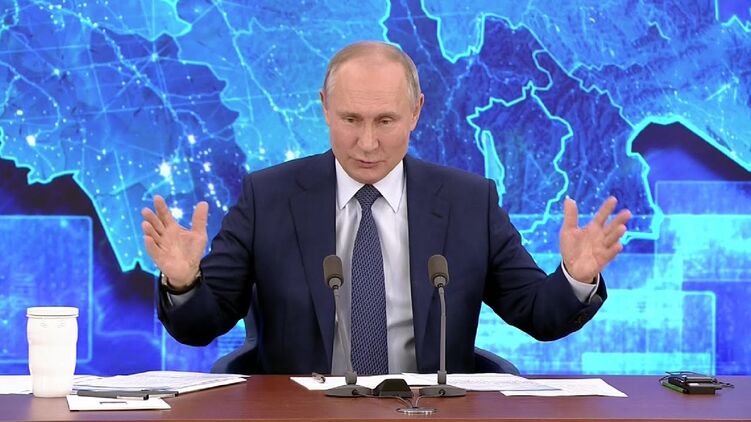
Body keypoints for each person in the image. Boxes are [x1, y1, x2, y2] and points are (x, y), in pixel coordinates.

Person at [141, 41, 631, 375]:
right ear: (324, 108)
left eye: (385, 120)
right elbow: (201, 324)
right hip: (300, 415)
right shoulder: (267, 197)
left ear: (416, 112)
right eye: (350, 119)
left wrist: (575, 277)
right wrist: (183, 284)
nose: (367, 142)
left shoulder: (468, 202)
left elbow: (539, 315)